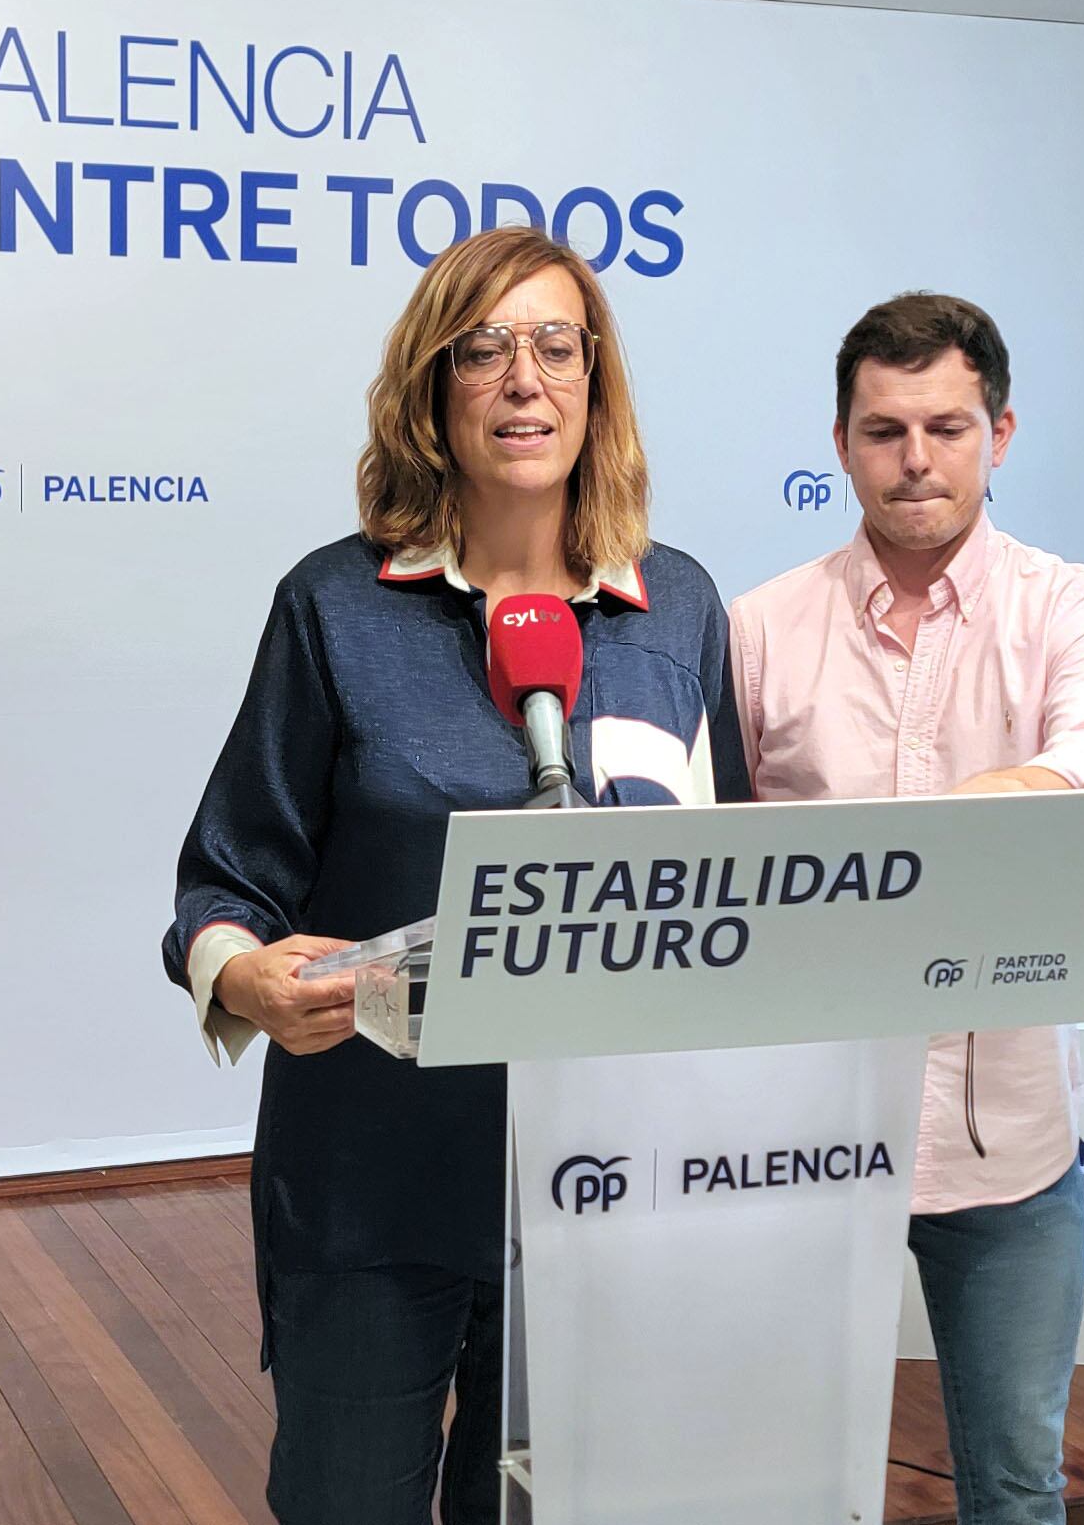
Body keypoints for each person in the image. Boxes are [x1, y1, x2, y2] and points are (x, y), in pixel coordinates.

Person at [163, 225, 745, 1525]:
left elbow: (731, 891)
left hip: (603, 1186)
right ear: (432, 389)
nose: (521, 379)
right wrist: (244, 973)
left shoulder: (681, 609)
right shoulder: (336, 607)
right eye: (481, 350)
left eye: (553, 346)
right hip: (375, 1178)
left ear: (595, 384)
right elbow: (222, 882)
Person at [728, 293, 1084, 1525]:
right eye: (884, 430)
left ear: (1000, 434)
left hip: (1008, 1145)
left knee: (1017, 1484)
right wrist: (980, 844)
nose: (916, 459)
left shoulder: (1071, 606)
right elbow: (715, 861)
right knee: (784, 1479)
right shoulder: (761, 626)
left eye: (947, 427)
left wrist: (907, 843)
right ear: (841, 440)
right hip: (800, 1135)